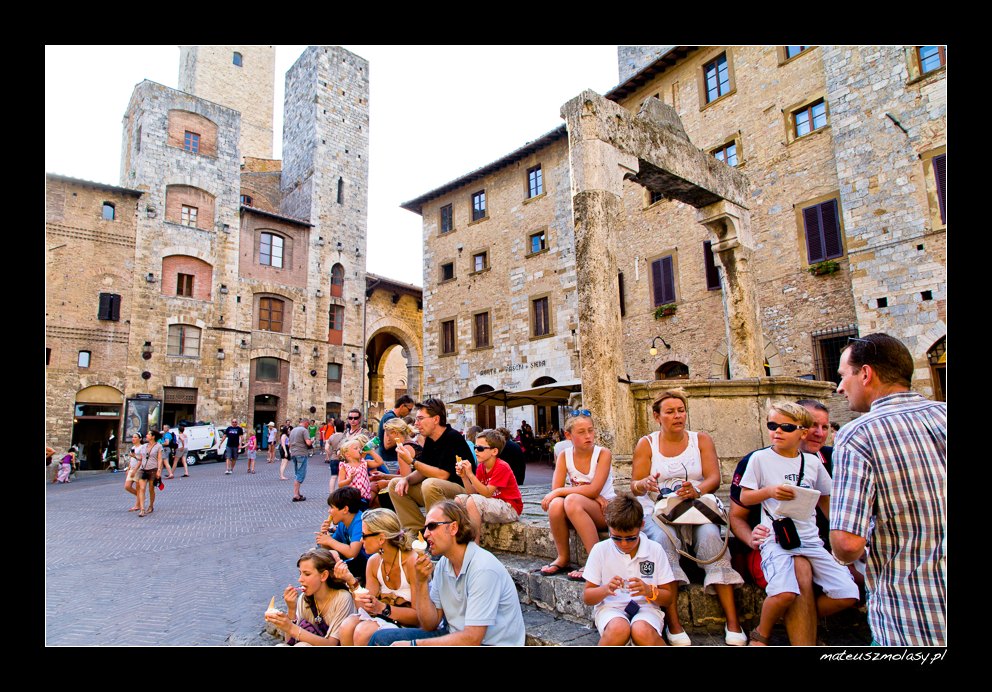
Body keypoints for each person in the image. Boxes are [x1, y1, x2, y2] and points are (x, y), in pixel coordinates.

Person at [831, 333, 946, 646]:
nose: (840, 387)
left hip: (910, 614)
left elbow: (847, 543)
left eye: (843, 376)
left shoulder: (858, 435)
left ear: (866, 374)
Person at [630, 389, 746, 646]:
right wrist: (645, 483)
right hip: (660, 512)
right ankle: (674, 622)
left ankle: (733, 620)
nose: (677, 416)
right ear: (657, 416)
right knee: (661, 541)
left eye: (681, 410)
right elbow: (634, 485)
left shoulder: (701, 440)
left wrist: (697, 488)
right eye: (670, 412)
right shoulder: (646, 444)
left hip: (696, 508)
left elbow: (714, 478)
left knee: (711, 538)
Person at [739, 401, 859, 646]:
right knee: (786, 591)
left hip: (811, 540)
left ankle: (801, 619)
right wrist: (769, 491)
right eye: (772, 425)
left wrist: (841, 532)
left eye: (785, 427)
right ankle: (761, 633)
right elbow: (744, 498)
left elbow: (826, 500)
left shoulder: (813, 462)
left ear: (801, 433)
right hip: (778, 539)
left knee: (848, 593)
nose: (777, 431)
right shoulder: (759, 459)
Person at [368, 500, 525, 646]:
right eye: (425, 528)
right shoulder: (444, 563)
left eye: (432, 526)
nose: (426, 534)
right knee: (380, 639)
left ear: (453, 528)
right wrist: (421, 582)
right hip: (454, 633)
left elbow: (472, 638)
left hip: (488, 643)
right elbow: (430, 623)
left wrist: (414, 644)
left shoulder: (483, 568)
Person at [582, 495, 676, 646]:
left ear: (642, 525)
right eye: (617, 538)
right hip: (611, 608)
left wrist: (649, 591)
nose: (624, 544)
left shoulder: (654, 549)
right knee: (618, 629)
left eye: (631, 538)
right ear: (608, 528)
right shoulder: (601, 549)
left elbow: (668, 598)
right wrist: (606, 589)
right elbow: (587, 597)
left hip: (647, 608)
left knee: (642, 631)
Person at [538, 411, 615, 583]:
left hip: (604, 510)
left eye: (591, 430)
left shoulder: (603, 454)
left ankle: (595, 561)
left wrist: (562, 491)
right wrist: (584, 493)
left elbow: (594, 490)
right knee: (556, 504)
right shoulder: (565, 456)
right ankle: (563, 557)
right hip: (579, 507)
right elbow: (558, 490)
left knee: (568, 499)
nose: (588, 436)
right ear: (568, 435)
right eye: (581, 432)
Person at [387, 398, 474, 535]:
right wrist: (406, 480)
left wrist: (411, 461)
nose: (416, 423)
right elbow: (423, 471)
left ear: (436, 419)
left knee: (430, 484)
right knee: (394, 484)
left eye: (421, 418)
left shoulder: (452, 437)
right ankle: (416, 531)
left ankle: (438, 531)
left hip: (463, 492)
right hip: (437, 492)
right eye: (416, 419)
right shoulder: (430, 440)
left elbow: (442, 475)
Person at [336, 508, 421, 646]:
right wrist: (351, 581)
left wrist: (382, 608)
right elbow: (365, 608)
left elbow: (419, 617)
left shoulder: (412, 562)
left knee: (362, 631)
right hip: (387, 619)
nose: (360, 540)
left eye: (364, 535)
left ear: (381, 538)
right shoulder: (374, 562)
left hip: (411, 626)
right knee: (347, 626)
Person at [264, 548, 357, 646]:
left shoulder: (342, 598)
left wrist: (290, 627)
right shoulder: (304, 599)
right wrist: (291, 609)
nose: (300, 579)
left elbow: (331, 644)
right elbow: (290, 642)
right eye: (300, 573)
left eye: (307, 574)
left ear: (324, 575)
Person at [454, 429, 522, 541]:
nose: (476, 451)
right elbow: (472, 493)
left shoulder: (501, 467)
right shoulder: (481, 466)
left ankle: (474, 543)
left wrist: (471, 475)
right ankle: (460, 538)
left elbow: (487, 492)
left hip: (510, 508)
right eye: (475, 447)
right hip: (493, 504)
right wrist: (464, 477)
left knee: (473, 501)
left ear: (494, 451)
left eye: (480, 448)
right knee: (459, 500)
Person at [317, 487, 370, 584]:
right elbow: (328, 549)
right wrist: (324, 537)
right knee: (317, 554)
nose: (329, 511)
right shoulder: (342, 523)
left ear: (345, 509)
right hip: (355, 561)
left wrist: (329, 541)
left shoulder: (360, 522)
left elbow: (352, 552)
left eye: (332, 507)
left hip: (365, 564)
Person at [338, 434, 383, 509]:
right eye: (356, 448)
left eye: (359, 448)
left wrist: (371, 452)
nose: (359, 450)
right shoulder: (344, 466)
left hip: (365, 497)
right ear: (347, 454)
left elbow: (379, 462)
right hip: (351, 498)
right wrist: (349, 479)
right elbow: (340, 484)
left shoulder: (364, 463)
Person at [376, 395, 416, 473]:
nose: (409, 412)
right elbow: (387, 444)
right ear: (402, 406)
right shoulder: (391, 418)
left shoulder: (392, 417)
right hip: (390, 460)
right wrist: (405, 439)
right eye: (409, 409)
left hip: (390, 460)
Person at [137, 429, 165, 517]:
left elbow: (160, 459)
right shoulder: (144, 446)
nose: (147, 435)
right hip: (143, 469)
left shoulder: (159, 446)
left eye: (149, 434)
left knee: (151, 489)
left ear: (153, 437)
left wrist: (159, 470)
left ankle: (151, 506)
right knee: (141, 488)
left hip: (153, 469)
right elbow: (141, 458)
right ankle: (142, 509)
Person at [288, 417, 313, 502]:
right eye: (308, 424)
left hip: (294, 453)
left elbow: (289, 444)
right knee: (300, 474)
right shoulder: (304, 430)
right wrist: (312, 440)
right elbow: (308, 443)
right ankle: (296, 495)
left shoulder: (293, 430)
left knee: (297, 473)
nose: (308, 426)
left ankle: (298, 493)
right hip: (301, 453)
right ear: (306, 423)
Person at [325, 419, 346, 493]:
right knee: (342, 477)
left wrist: (330, 454)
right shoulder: (345, 436)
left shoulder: (331, 437)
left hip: (334, 458)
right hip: (343, 459)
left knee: (333, 477)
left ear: (335, 427)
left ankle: (331, 494)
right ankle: (341, 494)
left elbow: (326, 448)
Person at [124, 433, 144, 510]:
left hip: (138, 469)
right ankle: (141, 496)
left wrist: (135, 470)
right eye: (133, 437)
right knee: (127, 486)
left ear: (140, 439)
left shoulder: (142, 447)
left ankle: (137, 505)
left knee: (138, 487)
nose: (133, 439)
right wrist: (128, 469)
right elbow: (131, 459)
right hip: (132, 468)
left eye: (135, 437)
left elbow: (141, 459)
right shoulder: (133, 447)